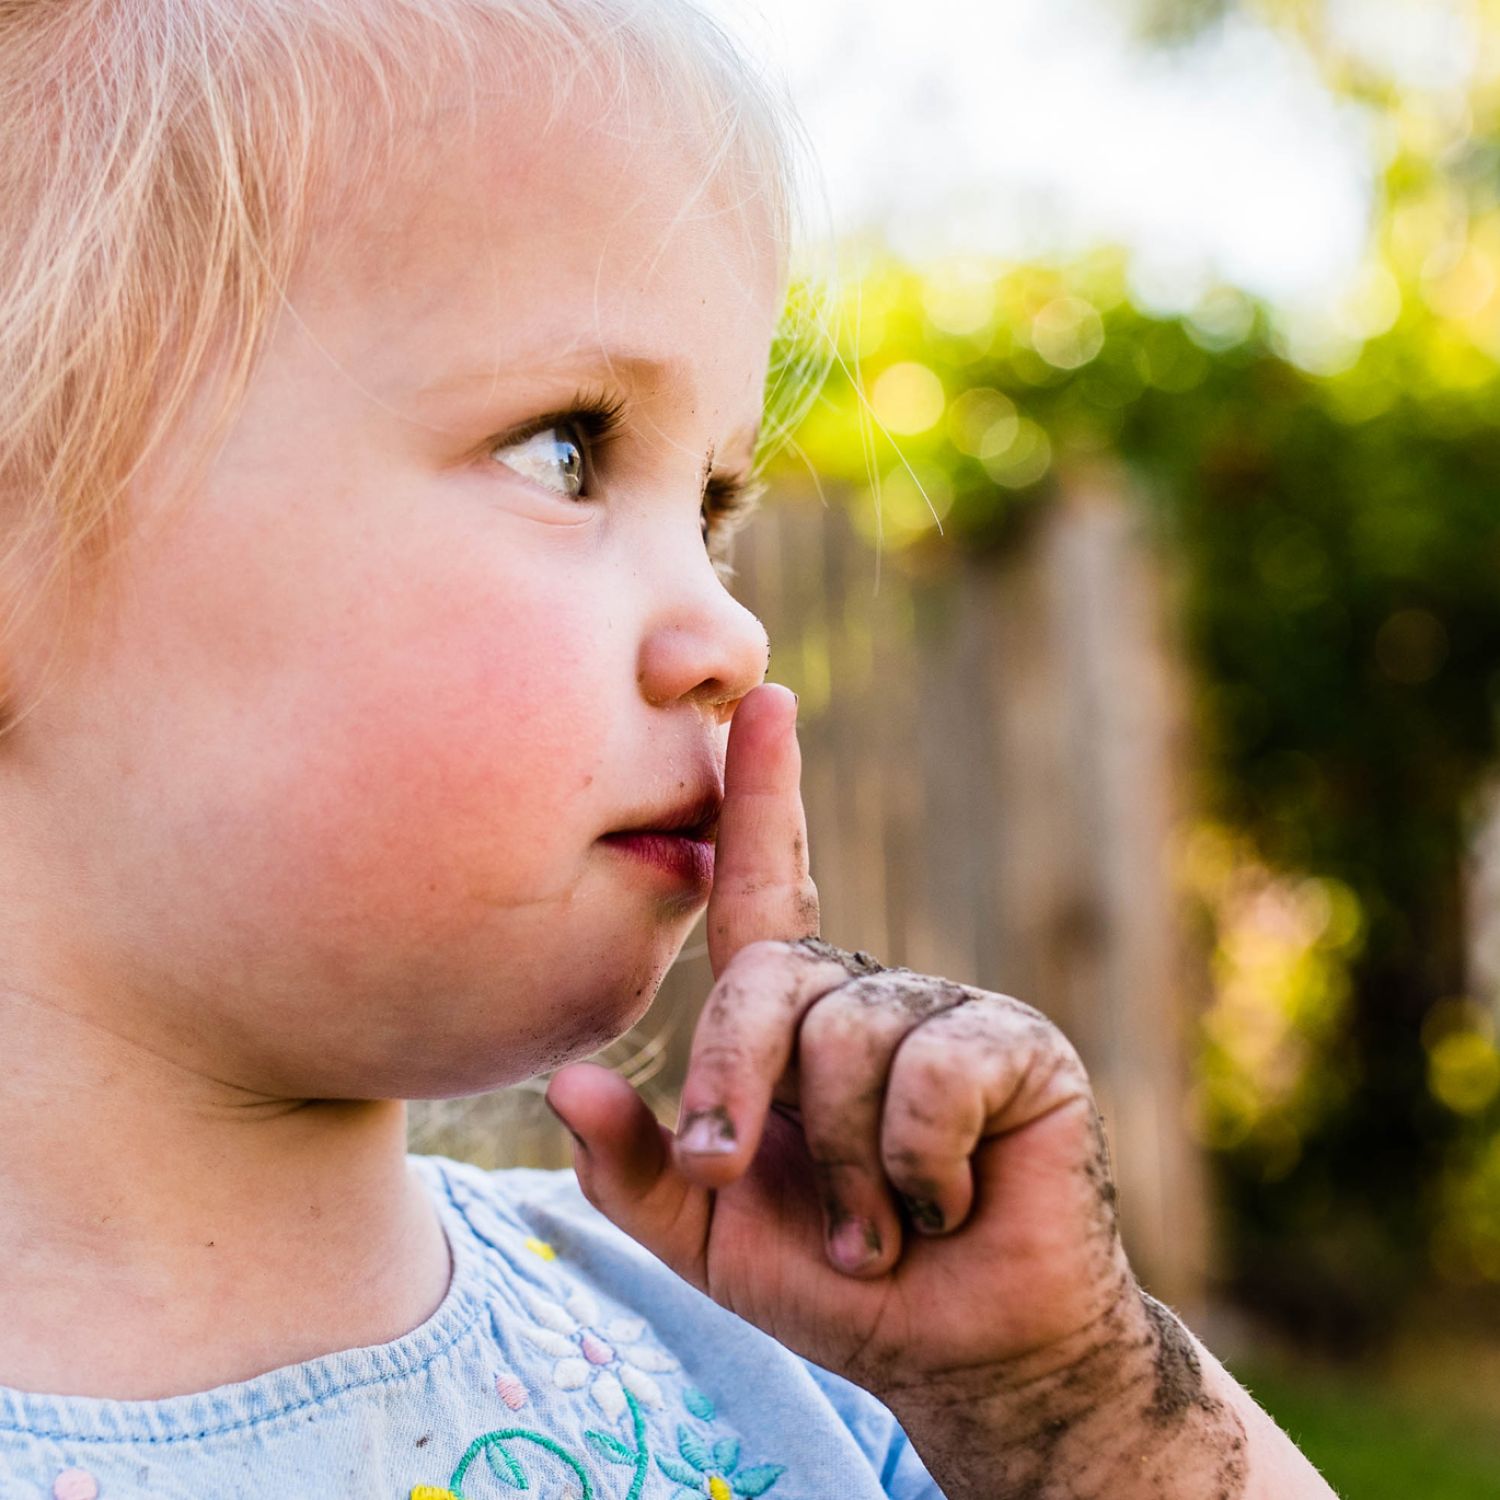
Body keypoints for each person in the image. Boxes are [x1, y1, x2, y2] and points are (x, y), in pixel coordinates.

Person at [0, 2, 1337, 1496]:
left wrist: (1061, 1401)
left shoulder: (801, 1377)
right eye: (563, 448)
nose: (730, 634)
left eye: (710, 508)